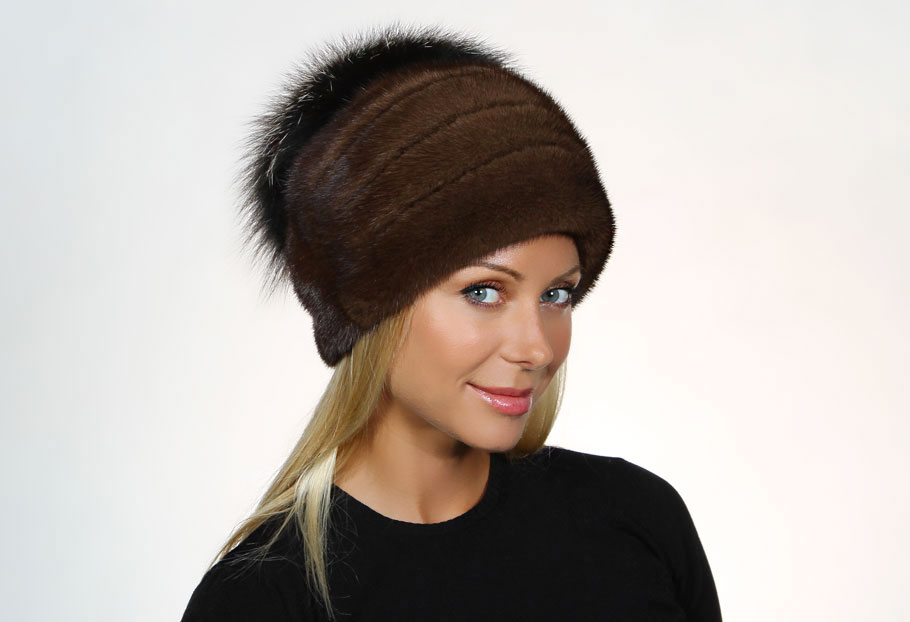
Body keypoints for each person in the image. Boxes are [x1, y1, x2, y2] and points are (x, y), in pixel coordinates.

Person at [181, 22, 722, 621]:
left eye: (557, 294)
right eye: (484, 291)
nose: (537, 349)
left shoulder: (635, 520)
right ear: (371, 307)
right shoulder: (265, 599)